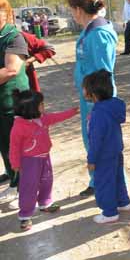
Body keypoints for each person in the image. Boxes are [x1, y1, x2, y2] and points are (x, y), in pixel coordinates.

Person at [69, 0, 118, 198]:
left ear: (79, 10)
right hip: (89, 97)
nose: (72, 15)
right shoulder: (90, 30)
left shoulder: (98, 34)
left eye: (72, 10)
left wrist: (98, 103)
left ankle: (109, 187)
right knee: (92, 142)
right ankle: (98, 180)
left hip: (97, 100)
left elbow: (102, 72)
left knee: (101, 144)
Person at [9, 89, 78, 231]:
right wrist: (15, 164)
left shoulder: (42, 118)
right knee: (29, 187)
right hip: (29, 161)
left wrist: (72, 112)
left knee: (47, 180)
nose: (44, 106)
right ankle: (25, 215)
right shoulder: (19, 126)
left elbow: (57, 117)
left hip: (45, 157)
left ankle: (45, 203)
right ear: (31, 109)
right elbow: (14, 147)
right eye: (41, 104)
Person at [82, 69, 130, 224]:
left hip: (103, 156)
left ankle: (109, 213)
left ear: (93, 94)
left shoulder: (98, 114)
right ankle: (123, 203)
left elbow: (96, 141)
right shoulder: (112, 107)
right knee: (117, 178)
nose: (82, 91)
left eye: (84, 89)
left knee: (104, 183)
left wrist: (91, 160)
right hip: (116, 152)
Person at [0, 0, 30, 198]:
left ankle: (27, 190)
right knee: (5, 146)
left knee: (19, 149)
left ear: (6, 12)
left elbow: (11, 70)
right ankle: (15, 182)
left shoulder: (13, 36)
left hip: (14, 104)